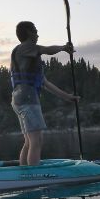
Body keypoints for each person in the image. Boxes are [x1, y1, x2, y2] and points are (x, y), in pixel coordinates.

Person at [11, 21, 79, 166]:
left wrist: (68, 97)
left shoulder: (28, 56)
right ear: (29, 33)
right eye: (35, 30)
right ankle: (34, 175)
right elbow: (47, 50)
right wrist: (63, 48)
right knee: (37, 140)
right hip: (28, 99)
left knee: (29, 141)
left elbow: (46, 84)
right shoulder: (27, 47)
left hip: (18, 99)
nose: (38, 34)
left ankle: (23, 172)